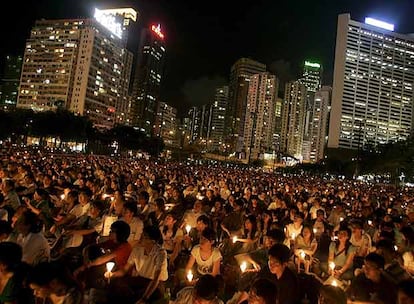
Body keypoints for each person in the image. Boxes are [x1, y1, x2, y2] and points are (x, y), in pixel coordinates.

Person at [109, 225, 168, 304]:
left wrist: (144, 298)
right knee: (117, 286)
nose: (140, 238)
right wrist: (112, 274)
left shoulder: (160, 253)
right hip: (141, 279)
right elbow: (125, 270)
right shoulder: (137, 249)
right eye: (141, 235)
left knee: (136, 296)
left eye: (144, 237)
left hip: (156, 284)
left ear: (152, 240)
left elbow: (156, 278)